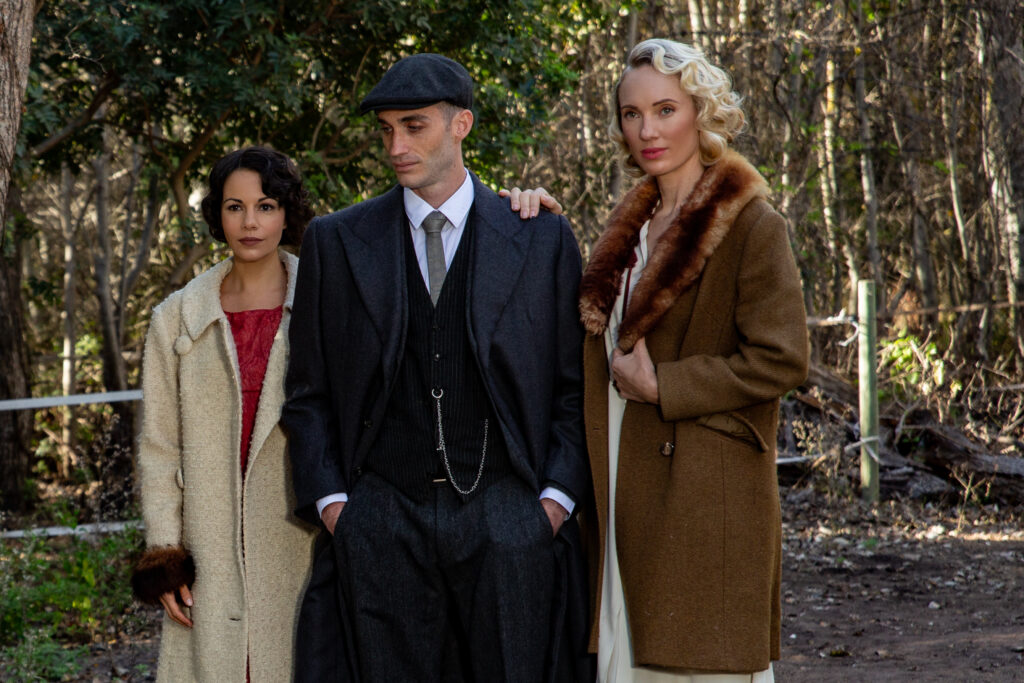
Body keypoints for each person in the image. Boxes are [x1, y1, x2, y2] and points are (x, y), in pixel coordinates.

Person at [282, 53, 590, 682]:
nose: (396, 146)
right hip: (381, 521)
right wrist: (338, 508)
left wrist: (552, 505)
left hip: (509, 520)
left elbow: (572, 384)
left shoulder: (540, 236)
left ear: (461, 125)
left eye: (414, 126)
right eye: (386, 130)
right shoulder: (336, 242)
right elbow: (309, 393)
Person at [577, 39, 809, 682]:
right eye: (631, 114)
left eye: (665, 109)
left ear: (701, 111)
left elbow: (783, 358)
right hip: (622, 480)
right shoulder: (628, 228)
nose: (647, 130)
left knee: (699, 662)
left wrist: (666, 386)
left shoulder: (753, 224)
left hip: (704, 490)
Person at [131, 146, 318, 682]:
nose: (250, 222)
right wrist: (165, 554)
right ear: (217, 214)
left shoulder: (325, 299)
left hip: (300, 540)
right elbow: (159, 447)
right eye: (235, 207)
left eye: (266, 206)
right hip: (208, 544)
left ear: (287, 212)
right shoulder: (176, 318)